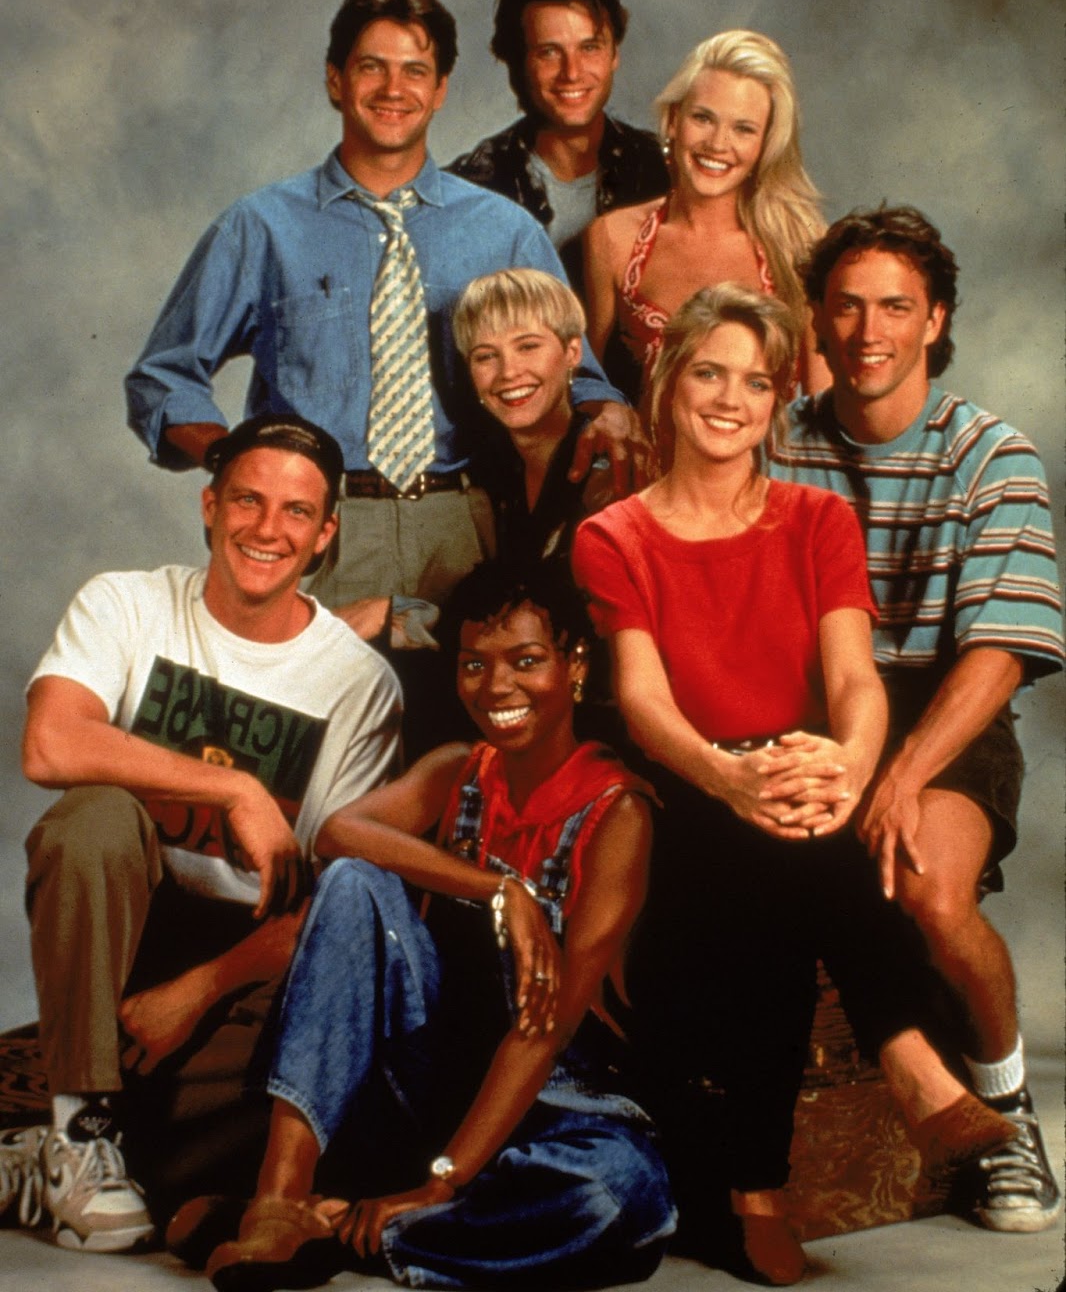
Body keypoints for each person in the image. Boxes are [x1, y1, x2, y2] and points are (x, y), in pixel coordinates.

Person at [571, 285, 1015, 1286]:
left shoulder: (818, 517)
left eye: (757, 382)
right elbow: (643, 702)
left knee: (795, 835)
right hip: (686, 777)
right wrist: (729, 778)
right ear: (667, 381)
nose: (731, 399)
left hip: (805, 765)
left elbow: (854, 680)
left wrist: (852, 766)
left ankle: (758, 1192)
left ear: (778, 401)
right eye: (708, 373)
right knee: (769, 845)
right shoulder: (616, 536)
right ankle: (905, 1052)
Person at [169, 560, 676, 1292]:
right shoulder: (458, 771)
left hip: (556, 1105)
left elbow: (544, 1032)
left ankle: (352, 1229)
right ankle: (281, 1201)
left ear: (576, 665)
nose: (496, 687)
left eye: (526, 662)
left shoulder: (618, 813)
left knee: (616, 1195)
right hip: (432, 1085)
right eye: (475, 665)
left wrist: (439, 1183)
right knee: (354, 883)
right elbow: (340, 833)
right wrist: (502, 889)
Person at [124, 0, 642, 642]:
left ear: (441, 89)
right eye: (373, 67)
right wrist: (237, 458)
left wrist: (612, 410)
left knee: (459, 736)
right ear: (337, 81)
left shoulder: (504, 231)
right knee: (310, 730)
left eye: (415, 70)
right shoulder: (262, 226)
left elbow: (583, 379)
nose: (394, 89)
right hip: (319, 529)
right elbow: (162, 378)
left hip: (467, 526)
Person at [0, 415, 401, 1253]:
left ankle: (54, 1135)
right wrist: (237, 787)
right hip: (122, 931)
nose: (267, 529)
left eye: (296, 512)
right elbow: (51, 744)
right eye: (248, 501)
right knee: (96, 813)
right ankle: (78, 1131)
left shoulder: (358, 684)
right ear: (210, 507)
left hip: (245, 972)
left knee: (313, 1100)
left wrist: (198, 991)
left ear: (326, 533)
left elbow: (340, 908)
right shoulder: (127, 602)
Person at [771, 206, 1065, 1234]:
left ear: (934, 320)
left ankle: (1009, 1109)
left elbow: (997, 655)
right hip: (807, 702)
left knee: (931, 893)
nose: (866, 331)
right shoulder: (773, 444)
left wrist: (897, 776)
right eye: (844, 306)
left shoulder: (993, 455)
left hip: (946, 706)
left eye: (894, 306)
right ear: (814, 318)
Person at [583, 29, 830, 399]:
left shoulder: (803, 246)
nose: (718, 144)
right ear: (673, 121)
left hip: (773, 457)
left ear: (766, 145)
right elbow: (585, 386)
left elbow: (825, 404)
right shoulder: (612, 238)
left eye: (743, 129)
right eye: (703, 118)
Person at [448, 0, 669, 297]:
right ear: (518, 63)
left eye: (590, 47)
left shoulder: (663, 171)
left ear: (614, 56)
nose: (572, 72)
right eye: (548, 52)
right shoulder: (471, 187)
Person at [452, 268, 616, 565]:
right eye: (486, 356)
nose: (509, 372)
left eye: (528, 347)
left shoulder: (606, 464)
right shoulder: (490, 471)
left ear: (573, 351)